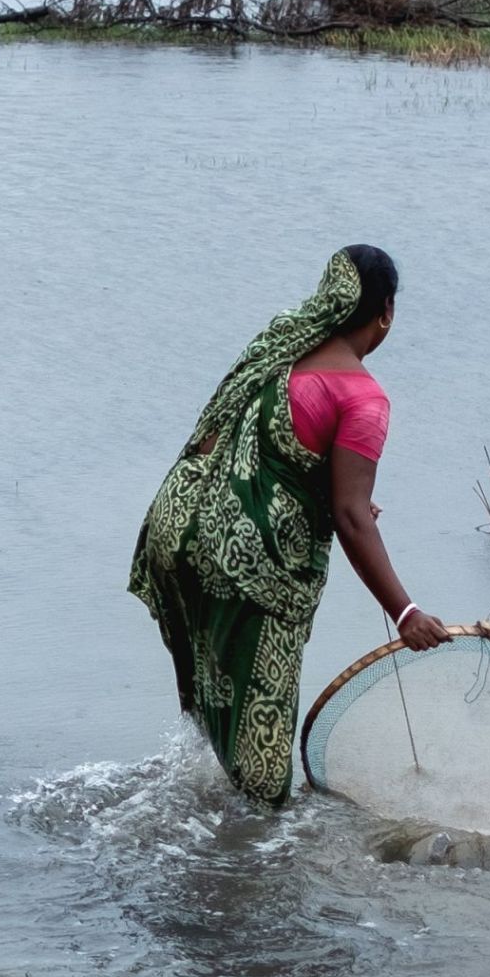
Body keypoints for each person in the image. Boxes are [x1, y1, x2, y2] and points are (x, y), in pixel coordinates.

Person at [128, 245, 448, 804]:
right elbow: (352, 515)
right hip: (245, 562)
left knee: (208, 713)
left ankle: (192, 831)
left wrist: (331, 501)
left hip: (176, 530)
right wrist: (406, 611)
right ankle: (242, 853)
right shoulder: (363, 398)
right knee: (263, 776)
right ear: (386, 312)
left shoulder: (279, 345)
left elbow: (264, 452)